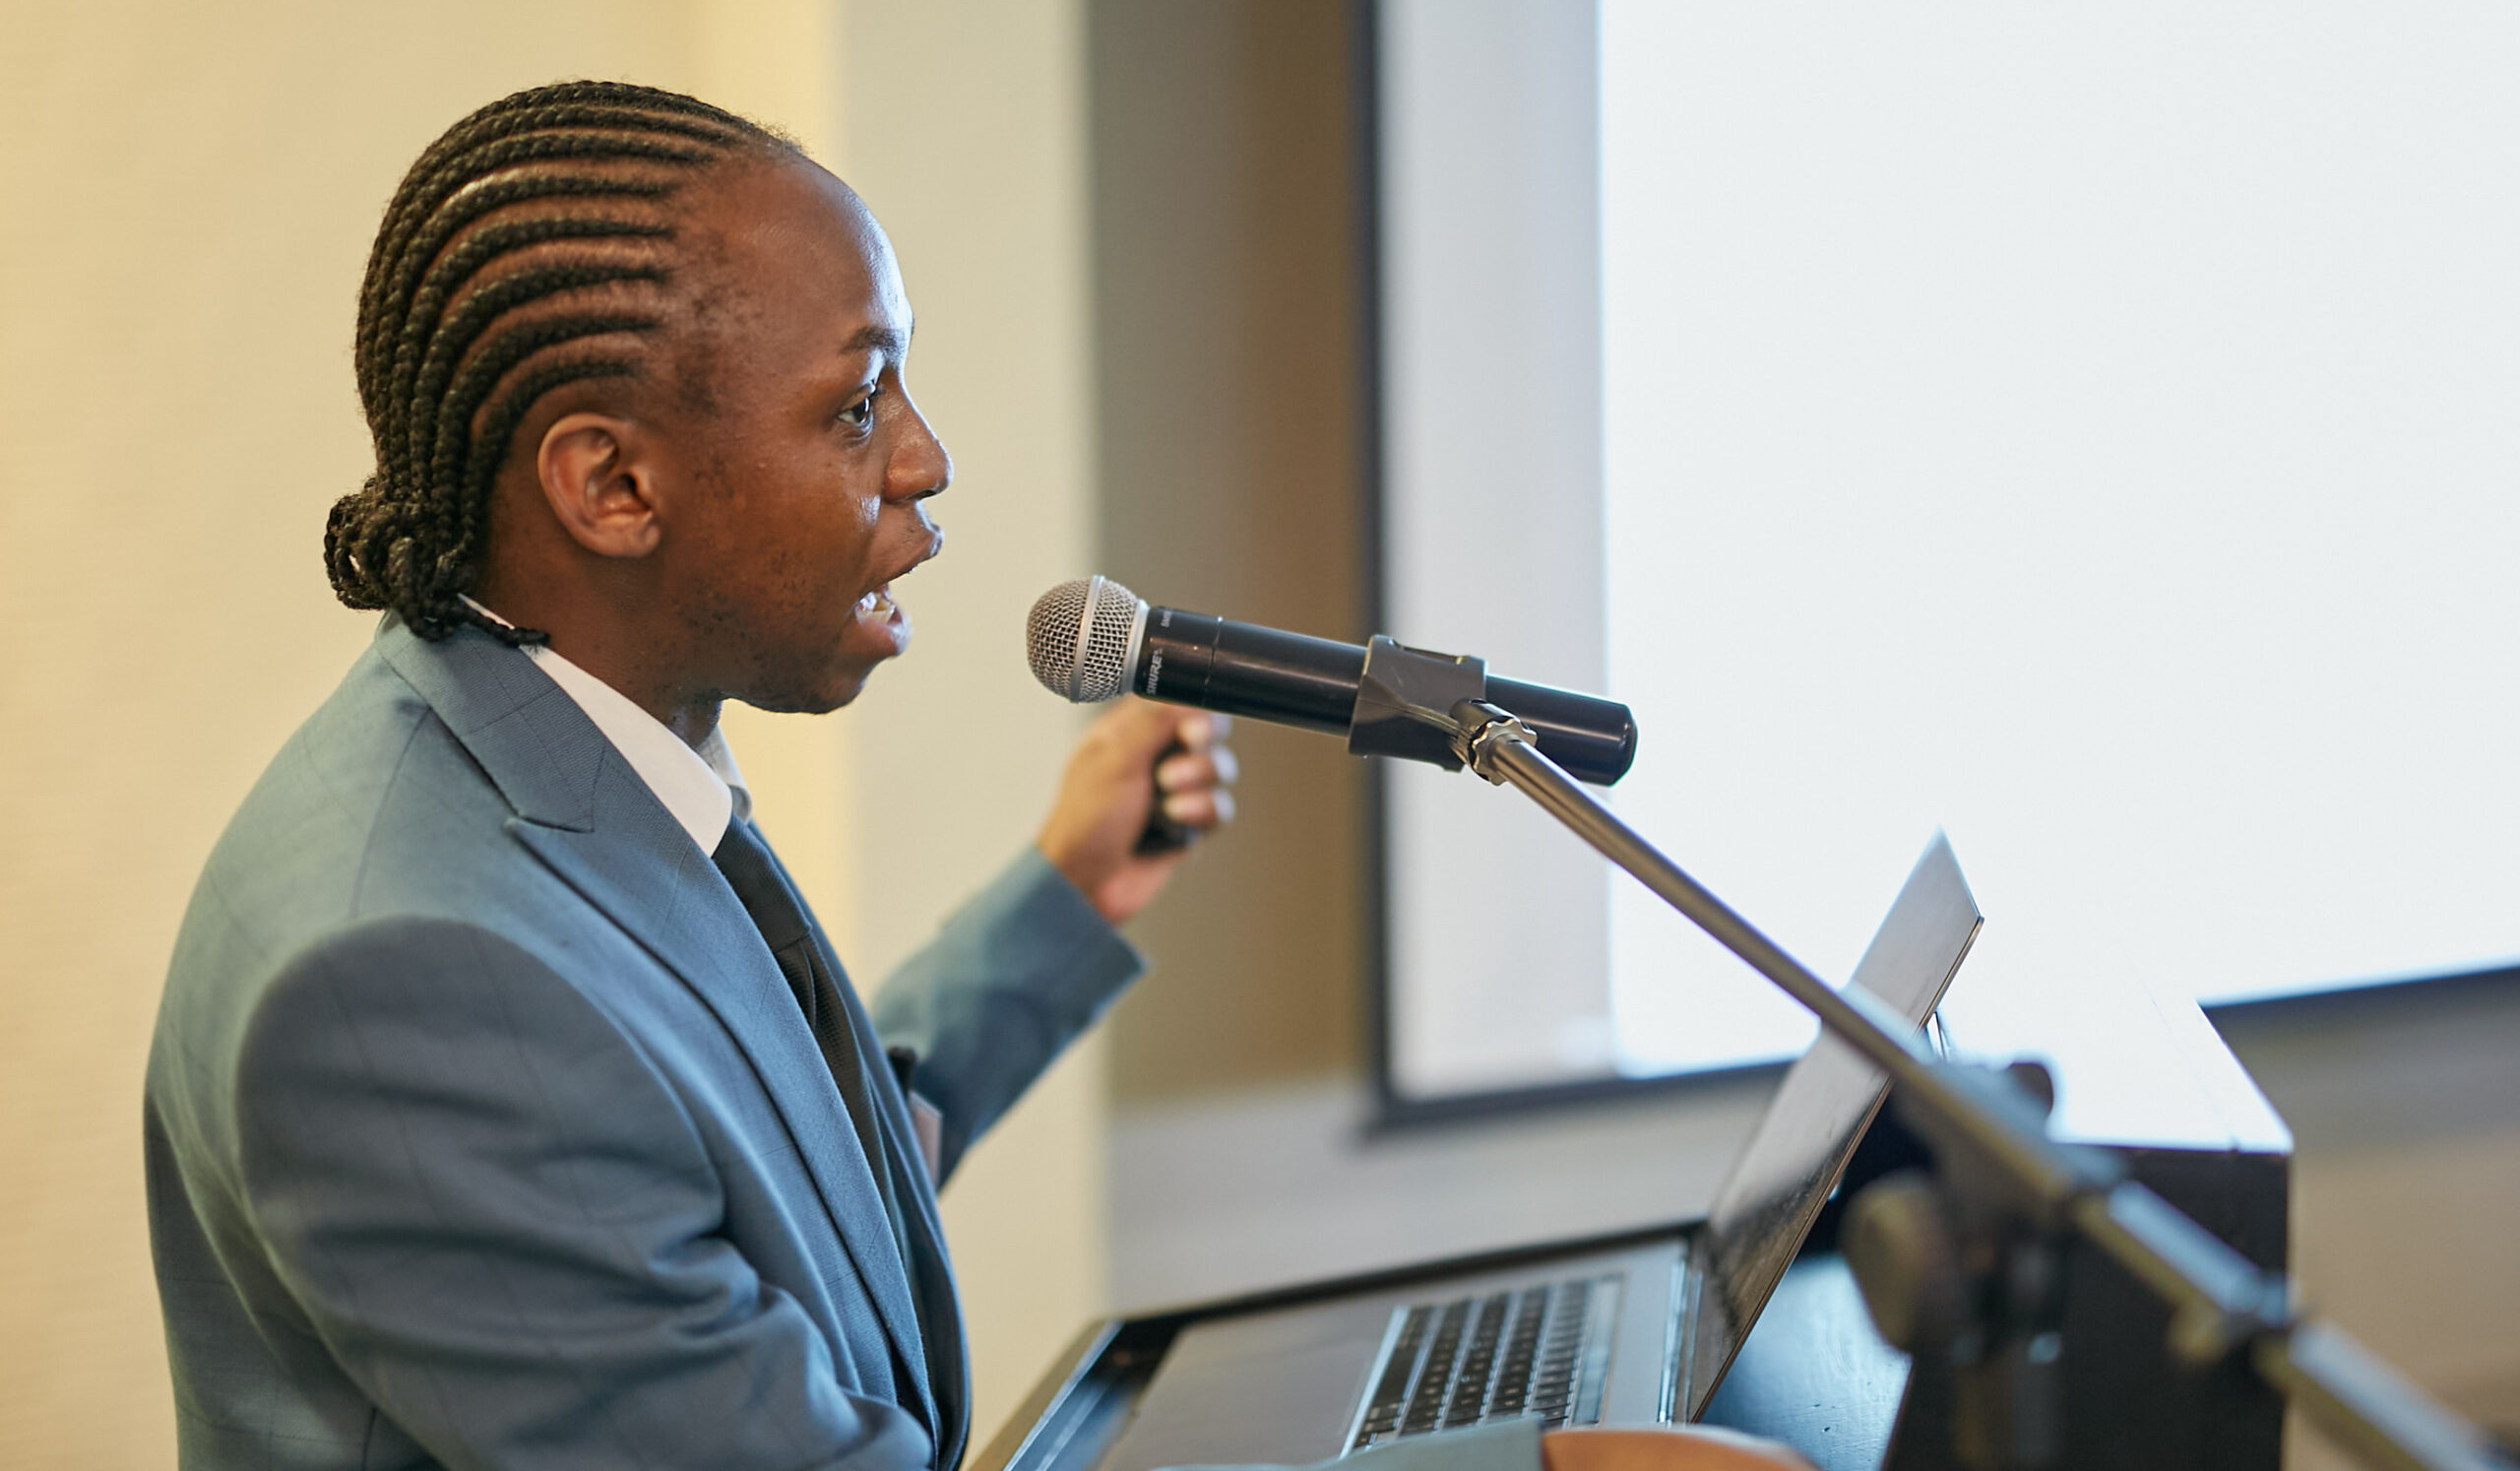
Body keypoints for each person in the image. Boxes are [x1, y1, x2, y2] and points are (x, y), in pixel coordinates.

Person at [145, 83, 1806, 1471]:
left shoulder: (541, 737)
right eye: (857, 404)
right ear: (612, 484)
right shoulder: (400, 981)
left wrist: (1063, 896)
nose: (926, 458)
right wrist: (1522, 1467)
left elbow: (758, 1175)